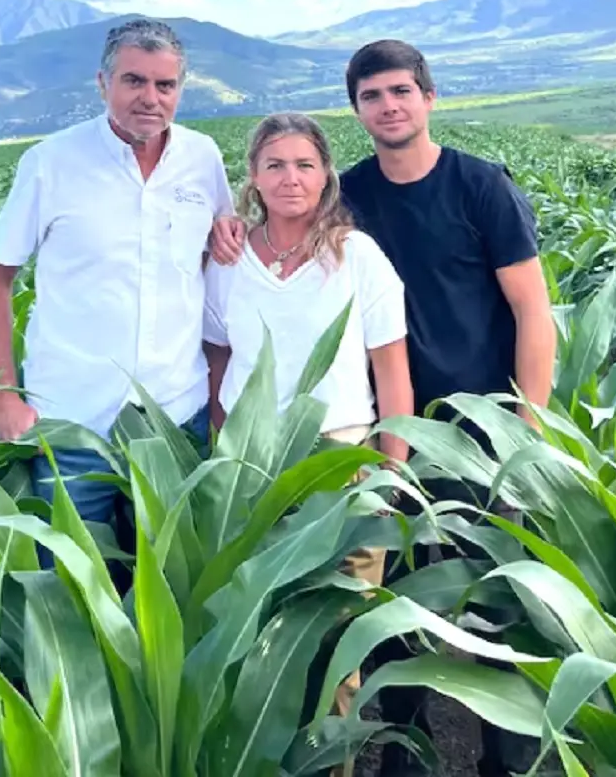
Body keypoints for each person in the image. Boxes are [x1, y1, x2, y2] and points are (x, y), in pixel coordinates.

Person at [336, 40, 557, 776]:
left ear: (430, 97)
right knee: (396, 598)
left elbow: (532, 310)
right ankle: (408, 746)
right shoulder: (351, 195)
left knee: (495, 596)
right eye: (372, 95)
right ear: (357, 109)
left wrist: (526, 427)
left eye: (401, 90)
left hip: (480, 430)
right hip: (388, 429)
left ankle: (509, 750)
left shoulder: (480, 186)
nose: (389, 105)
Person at [0, 18, 241, 579]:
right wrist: (3, 399)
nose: (150, 98)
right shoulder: (50, 163)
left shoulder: (202, 158)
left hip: (174, 412)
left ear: (181, 89)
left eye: (165, 86)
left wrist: (224, 235)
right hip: (72, 415)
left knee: (168, 580)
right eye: (133, 81)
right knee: (70, 586)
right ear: (103, 83)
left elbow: (217, 248)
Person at [202, 111, 414, 777]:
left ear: (326, 175)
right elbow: (217, 358)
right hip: (251, 465)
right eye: (274, 165)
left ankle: (331, 765)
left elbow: (392, 372)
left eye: (303, 164)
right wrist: (221, 451)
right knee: (258, 628)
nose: (289, 177)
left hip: (340, 463)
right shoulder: (229, 262)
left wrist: (389, 474)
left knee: (337, 636)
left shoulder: (358, 257)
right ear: (253, 179)